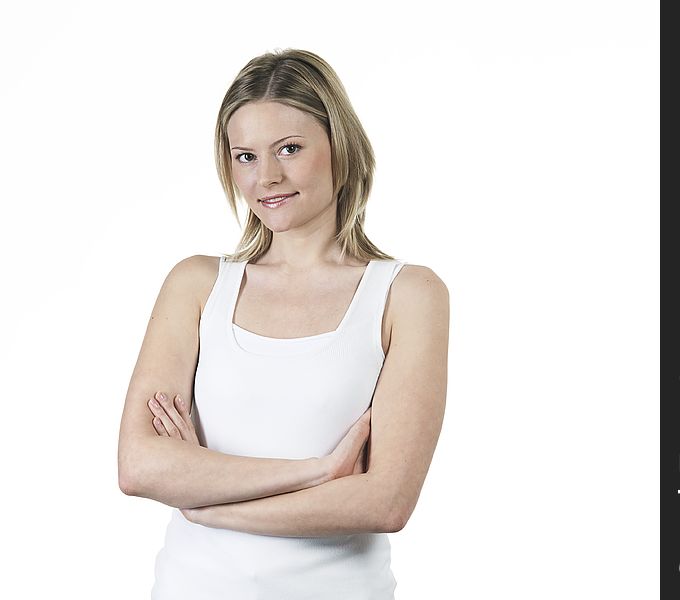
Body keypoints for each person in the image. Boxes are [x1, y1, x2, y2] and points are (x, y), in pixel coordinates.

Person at [117, 48, 450, 600]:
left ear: (339, 148)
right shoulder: (197, 285)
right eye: (244, 156)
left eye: (289, 149)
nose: (267, 177)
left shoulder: (406, 295)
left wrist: (204, 498)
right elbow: (138, 466)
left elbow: (386, 501)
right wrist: (318, 472)